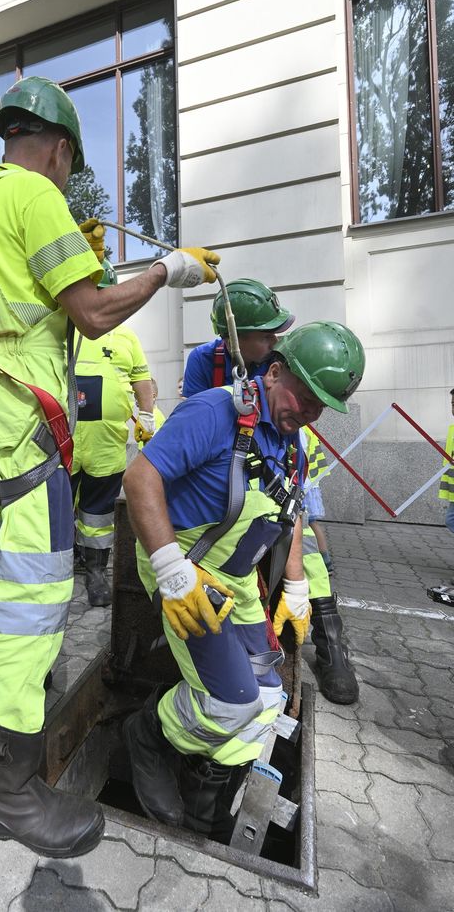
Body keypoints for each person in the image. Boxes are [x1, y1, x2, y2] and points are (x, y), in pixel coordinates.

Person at [0, 75, 221, 859]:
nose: (68, 181)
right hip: (30, 430)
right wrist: (169, 272)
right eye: (70, 168)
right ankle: (11, 792)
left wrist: (71, 256)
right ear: (60, 149)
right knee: (33, 601)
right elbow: (93, 311)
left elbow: (5, 304)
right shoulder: (35, 198)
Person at [122, 321, 365, 840]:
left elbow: (292, 512)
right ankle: (148, 736)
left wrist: (296, 586)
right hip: (189, 572)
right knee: (231, 702)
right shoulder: (214, 413)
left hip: (236, 581)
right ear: (273, 372)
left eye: (320, 408)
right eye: (303, 398)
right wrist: (170, 570)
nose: (308, 414)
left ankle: (207, 808)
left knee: (268, 701)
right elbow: (140, 478)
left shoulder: (293, 445)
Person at [182, 283, 359, 705]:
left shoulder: (281, 365)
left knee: (306, 540)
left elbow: (291, 422)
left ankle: (331, 640)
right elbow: (198, 413)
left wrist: (294, 570)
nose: (275, 340)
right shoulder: (205, 361)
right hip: (236, 460)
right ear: (234, 336)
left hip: (286, 452)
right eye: (265, 334)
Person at [72, 258, 154, 607]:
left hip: (106, 446)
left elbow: (141, 379)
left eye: (106, 293)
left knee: (98, 515)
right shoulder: (65, 327)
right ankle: (53, 574)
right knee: (55, 511)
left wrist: (147, 414)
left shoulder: (127, 336)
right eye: (95, 293)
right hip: (64, 444)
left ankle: (95, 572)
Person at [182, 278, 294, 398]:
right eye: (266, 337)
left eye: (274, 334)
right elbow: (195, 412)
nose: (275, 342)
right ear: (233, 341)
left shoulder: (280, 360)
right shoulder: (203, 360)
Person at [300, 424, 332, 571]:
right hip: (310, 482)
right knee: (311, 523)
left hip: (304, 483)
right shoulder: (308, 429)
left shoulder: (302, 429)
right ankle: (324, 560)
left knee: (309, 523)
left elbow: (301, 454)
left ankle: (321, 560)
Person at [439, 388, 454, 535]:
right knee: (450, 519)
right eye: (453, 404)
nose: (453, 408)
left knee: (450, 520)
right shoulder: (453, 429)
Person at [137, 378, 166, 450]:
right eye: (136, 395)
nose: (136, 399)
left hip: (147, 453)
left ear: (153, 397)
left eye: (140, 395)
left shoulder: (153, 416)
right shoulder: (146, 414)